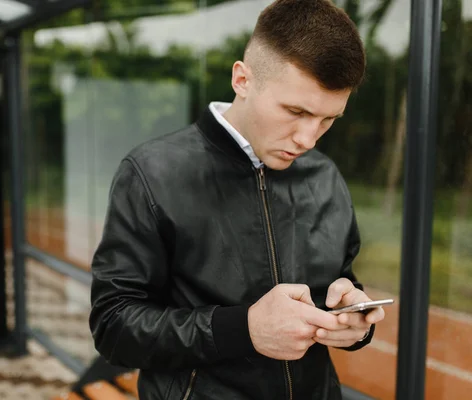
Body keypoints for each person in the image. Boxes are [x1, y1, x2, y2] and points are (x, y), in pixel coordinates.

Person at [88, 0, 386, 398]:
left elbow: (340, 279)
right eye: (295, 111)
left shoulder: (325, 176)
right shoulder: (151, 173)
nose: (308, 139)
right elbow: (114, 327)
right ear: (242, 80)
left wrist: (353, 320)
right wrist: (242, 330)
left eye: (328, 119)